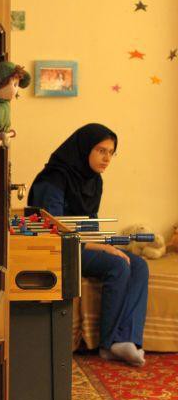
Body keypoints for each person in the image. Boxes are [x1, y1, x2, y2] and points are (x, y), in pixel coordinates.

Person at [28, 123, 148, 367]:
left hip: (78, 245)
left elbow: (89, 226)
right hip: (55, 248)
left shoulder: (94, 181)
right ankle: (109, 344)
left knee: (139, 265)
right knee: (118, 264)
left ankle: (127, 339)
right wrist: (103, 248)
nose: (107, 158)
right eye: (101, 151)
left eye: (111, 152)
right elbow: (55, 230)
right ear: (84, 149)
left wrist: (106, 244)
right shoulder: (54, 178)